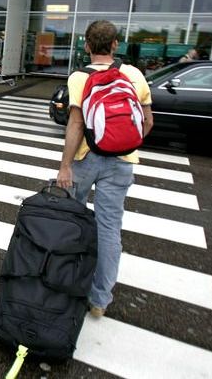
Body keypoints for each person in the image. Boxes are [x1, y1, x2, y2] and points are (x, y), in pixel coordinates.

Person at [56, 20, 154, 318]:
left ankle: (66, 282)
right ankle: (99, 300)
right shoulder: (134, 74)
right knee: (109, 229)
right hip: (122, 163)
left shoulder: (79, 78)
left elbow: (75, 124)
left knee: (71, 220)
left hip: (86, 159)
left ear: (87, 45)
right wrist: (123, 145)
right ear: (115, 44)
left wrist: (65, 166)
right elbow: (148, 122)